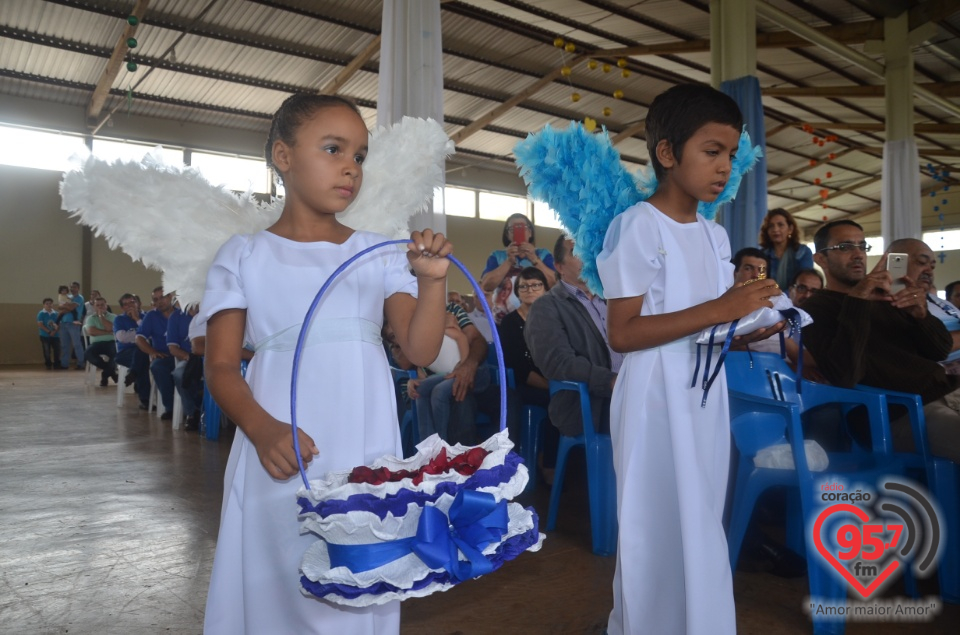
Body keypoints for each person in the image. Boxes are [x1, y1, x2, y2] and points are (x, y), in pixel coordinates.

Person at [199, 93, 451, 634]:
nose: (350, 168)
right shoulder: (242, 255)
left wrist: (432, 282)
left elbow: (420, 350)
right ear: (283, 157)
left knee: (362, 566)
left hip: (362, 440)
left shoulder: (378, 252)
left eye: (359, 156)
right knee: (281, 567)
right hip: (280, 442)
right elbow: (219, 366)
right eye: (334, 149)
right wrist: (263, 428)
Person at [596, 84, 783, 635]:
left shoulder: (715, 234)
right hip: (655, 393)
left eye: (730, 153)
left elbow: (709, 322)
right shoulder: (638, 226)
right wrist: (723, 307)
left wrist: (747, 327)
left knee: (699, 518)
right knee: (655, 521)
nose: (725, 166)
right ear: (668, 153)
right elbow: (623, 333)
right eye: (711, 151)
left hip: (704, 389)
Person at [801, 221, 960, 463]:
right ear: (820, 259)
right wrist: (857, 301)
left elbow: (939, 350)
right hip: (896, 414)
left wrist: (922, 316)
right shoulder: (815, 309)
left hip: (946, 391)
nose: (858, 255)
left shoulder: (887, 296)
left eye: (862, 246)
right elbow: (844, 374)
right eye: (845, 247)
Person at [525, 236, 622, 440]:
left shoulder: (615, 299)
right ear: (559, 266)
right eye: (577, 253)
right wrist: (611, 381)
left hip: (633, 393)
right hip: (590, 405)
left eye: (590, 251)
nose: (587, 257)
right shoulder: (546, 307)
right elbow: (558, 362)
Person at [498, 266, 556, 478]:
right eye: (524, 286)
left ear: (545, 288)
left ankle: (561, 463)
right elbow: (519, 368)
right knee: (556, 400)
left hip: (553, 379)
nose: (530, 289)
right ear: (517, 291)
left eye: (536, 285)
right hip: (523, 385)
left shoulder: (553, 319)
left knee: (568, 398)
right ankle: (547, 465)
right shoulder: (510, 322)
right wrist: (551, 386)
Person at [407, 301, 490, 445]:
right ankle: (427, 451)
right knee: (420, 391)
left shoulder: (450, 312)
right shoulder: (413, 321)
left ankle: (443, 449)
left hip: (463, 369)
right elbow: (418, 361)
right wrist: (416, 380)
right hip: (441, 375)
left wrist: (463, 367)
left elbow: (465, 338)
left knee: (440, 392)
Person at [479, 214, 556, 320]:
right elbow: (486, 286)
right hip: (503, 321)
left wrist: (535, 260)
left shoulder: (543, 254)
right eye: (513, 228)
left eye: (524, 227)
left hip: (540, 319)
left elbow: (555, 284)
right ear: (507, 234)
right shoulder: (497, 256)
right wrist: (509, 261)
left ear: (530, 232)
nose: (519, 231)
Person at [136, 287, 176, 419]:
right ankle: (170, 408)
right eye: (155, 299)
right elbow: (139, 338)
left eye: (162, 297)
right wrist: (152, 352)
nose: (160, 302)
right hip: (163, 356)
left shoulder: (182, 314)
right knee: (157, 367)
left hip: (183, 355)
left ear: (170, 297)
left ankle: (193, 409)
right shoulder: (151, 316)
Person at [758, 208, 814, 288]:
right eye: (771, 226)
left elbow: (805, 282)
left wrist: (783, 297)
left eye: (780, 225)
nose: (775, 229)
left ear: (790, 229)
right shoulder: (762, 255)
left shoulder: (803, 252)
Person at [168, 303, 201, 430]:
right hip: (188, 358)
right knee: (179, 374)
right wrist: (189, 357)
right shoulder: (176, 316)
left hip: (210, 359)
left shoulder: (211, 312)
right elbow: (173, 348)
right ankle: (192, 413)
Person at [114, 293, 151, 409]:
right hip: (125, 353)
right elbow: (122, 338)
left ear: (137, 303)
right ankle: (145, 399)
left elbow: (151, 335)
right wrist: (141, 336)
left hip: (145, 352)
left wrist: (137, 319)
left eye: (132, 302)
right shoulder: (119, 319)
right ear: (122, 308)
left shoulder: (147, 317)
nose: (129, 306)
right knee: (141, 356)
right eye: (125, 304)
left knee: (141, 359)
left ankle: (134, 373)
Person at [83, 296, 118, 386]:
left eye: (102, 305)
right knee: (88, 353)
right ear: (94, 307)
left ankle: (105, 374)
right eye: (97, 305)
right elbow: (92, 332)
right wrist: (107, 332)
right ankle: (111, 372)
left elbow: (110, 328)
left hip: (111, 343)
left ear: (106, 305)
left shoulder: (114, 317)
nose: (100, 307)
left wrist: (101, 317)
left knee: (116, 353)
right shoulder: (90, 318)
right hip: (96, 343)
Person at [57, 281, 85, 370]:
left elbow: (70, 308)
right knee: (64, 345)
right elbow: (59, 307)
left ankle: (81, 363)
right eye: (71, 287)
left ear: (78, 288)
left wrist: (64, 307)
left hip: (73, 324)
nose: (73, 289)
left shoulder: (79, 298)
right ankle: (64, 364)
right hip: (63, 323)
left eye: (75, 287)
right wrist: (65, 307)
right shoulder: (68, 297)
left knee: (77, 344)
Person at [37, 298, 60, 370]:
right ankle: (48, 364)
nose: (49, 305)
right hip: (45, 335)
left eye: (50, 303)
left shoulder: (56, 313)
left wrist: (54, 331)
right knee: (47, 350)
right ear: (44, 305)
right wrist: (49, 332)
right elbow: (40, 324)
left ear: (53, 304)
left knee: (57, 350)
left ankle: (56, 364)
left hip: (56, 335)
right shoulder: (41, 313)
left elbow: (59, 324)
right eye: (47, 303)